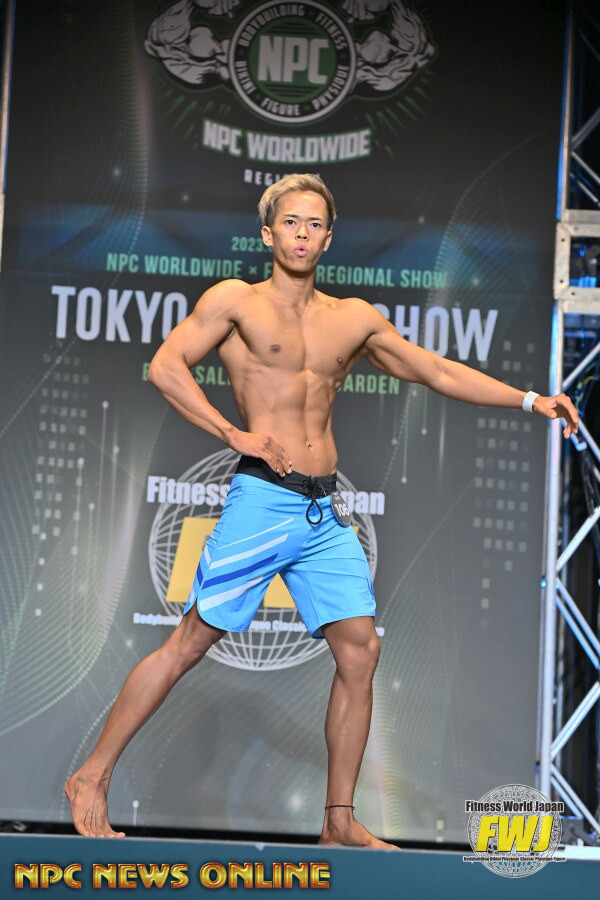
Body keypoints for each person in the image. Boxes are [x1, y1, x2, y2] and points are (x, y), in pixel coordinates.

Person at [65, 173, 579, 846]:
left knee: (361, 651)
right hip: (261, 497)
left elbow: (435, 370)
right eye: (290, 222)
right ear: (267, 233)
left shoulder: (353, 318)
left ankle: (338, 822)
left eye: (314, 224)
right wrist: (233, 433)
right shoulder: (235, 301)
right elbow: (165, 367)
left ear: (329, 239)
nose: (302, 234)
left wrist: (530, 400)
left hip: (322, 511)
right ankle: (92, 776)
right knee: (190, 641)